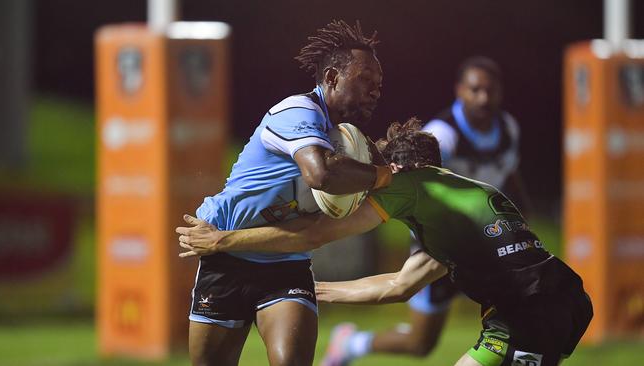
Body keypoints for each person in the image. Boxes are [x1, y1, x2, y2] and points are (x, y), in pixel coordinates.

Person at [177, 119, 593, 366]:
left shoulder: (406, 184)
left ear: (395, 166)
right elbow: (399, 286)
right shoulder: (464, 199)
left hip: (525, 313)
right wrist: (311, 290)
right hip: (566, 299)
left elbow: (315, 233)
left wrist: (223, 240)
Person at [185, 20, 389, 366]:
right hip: (225, 256)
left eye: (379, 85)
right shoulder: (297, 111)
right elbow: (321, 174)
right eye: (365, 80)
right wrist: (384, 176)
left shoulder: (348, 142)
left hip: (284, 262)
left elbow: (311, 232)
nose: (375, 91)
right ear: (332, 79)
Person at [320, 56, 532, 366]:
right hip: (441, 239)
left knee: (520, 314)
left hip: (487, 236)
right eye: (476, 90)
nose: (484, 98)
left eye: (491, 90)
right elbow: (411, 187)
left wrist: (522, 221)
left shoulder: (509, 129)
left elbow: (512, 178)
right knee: (421, 342)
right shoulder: (441, 136)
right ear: (460, 91)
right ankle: (351, 343)